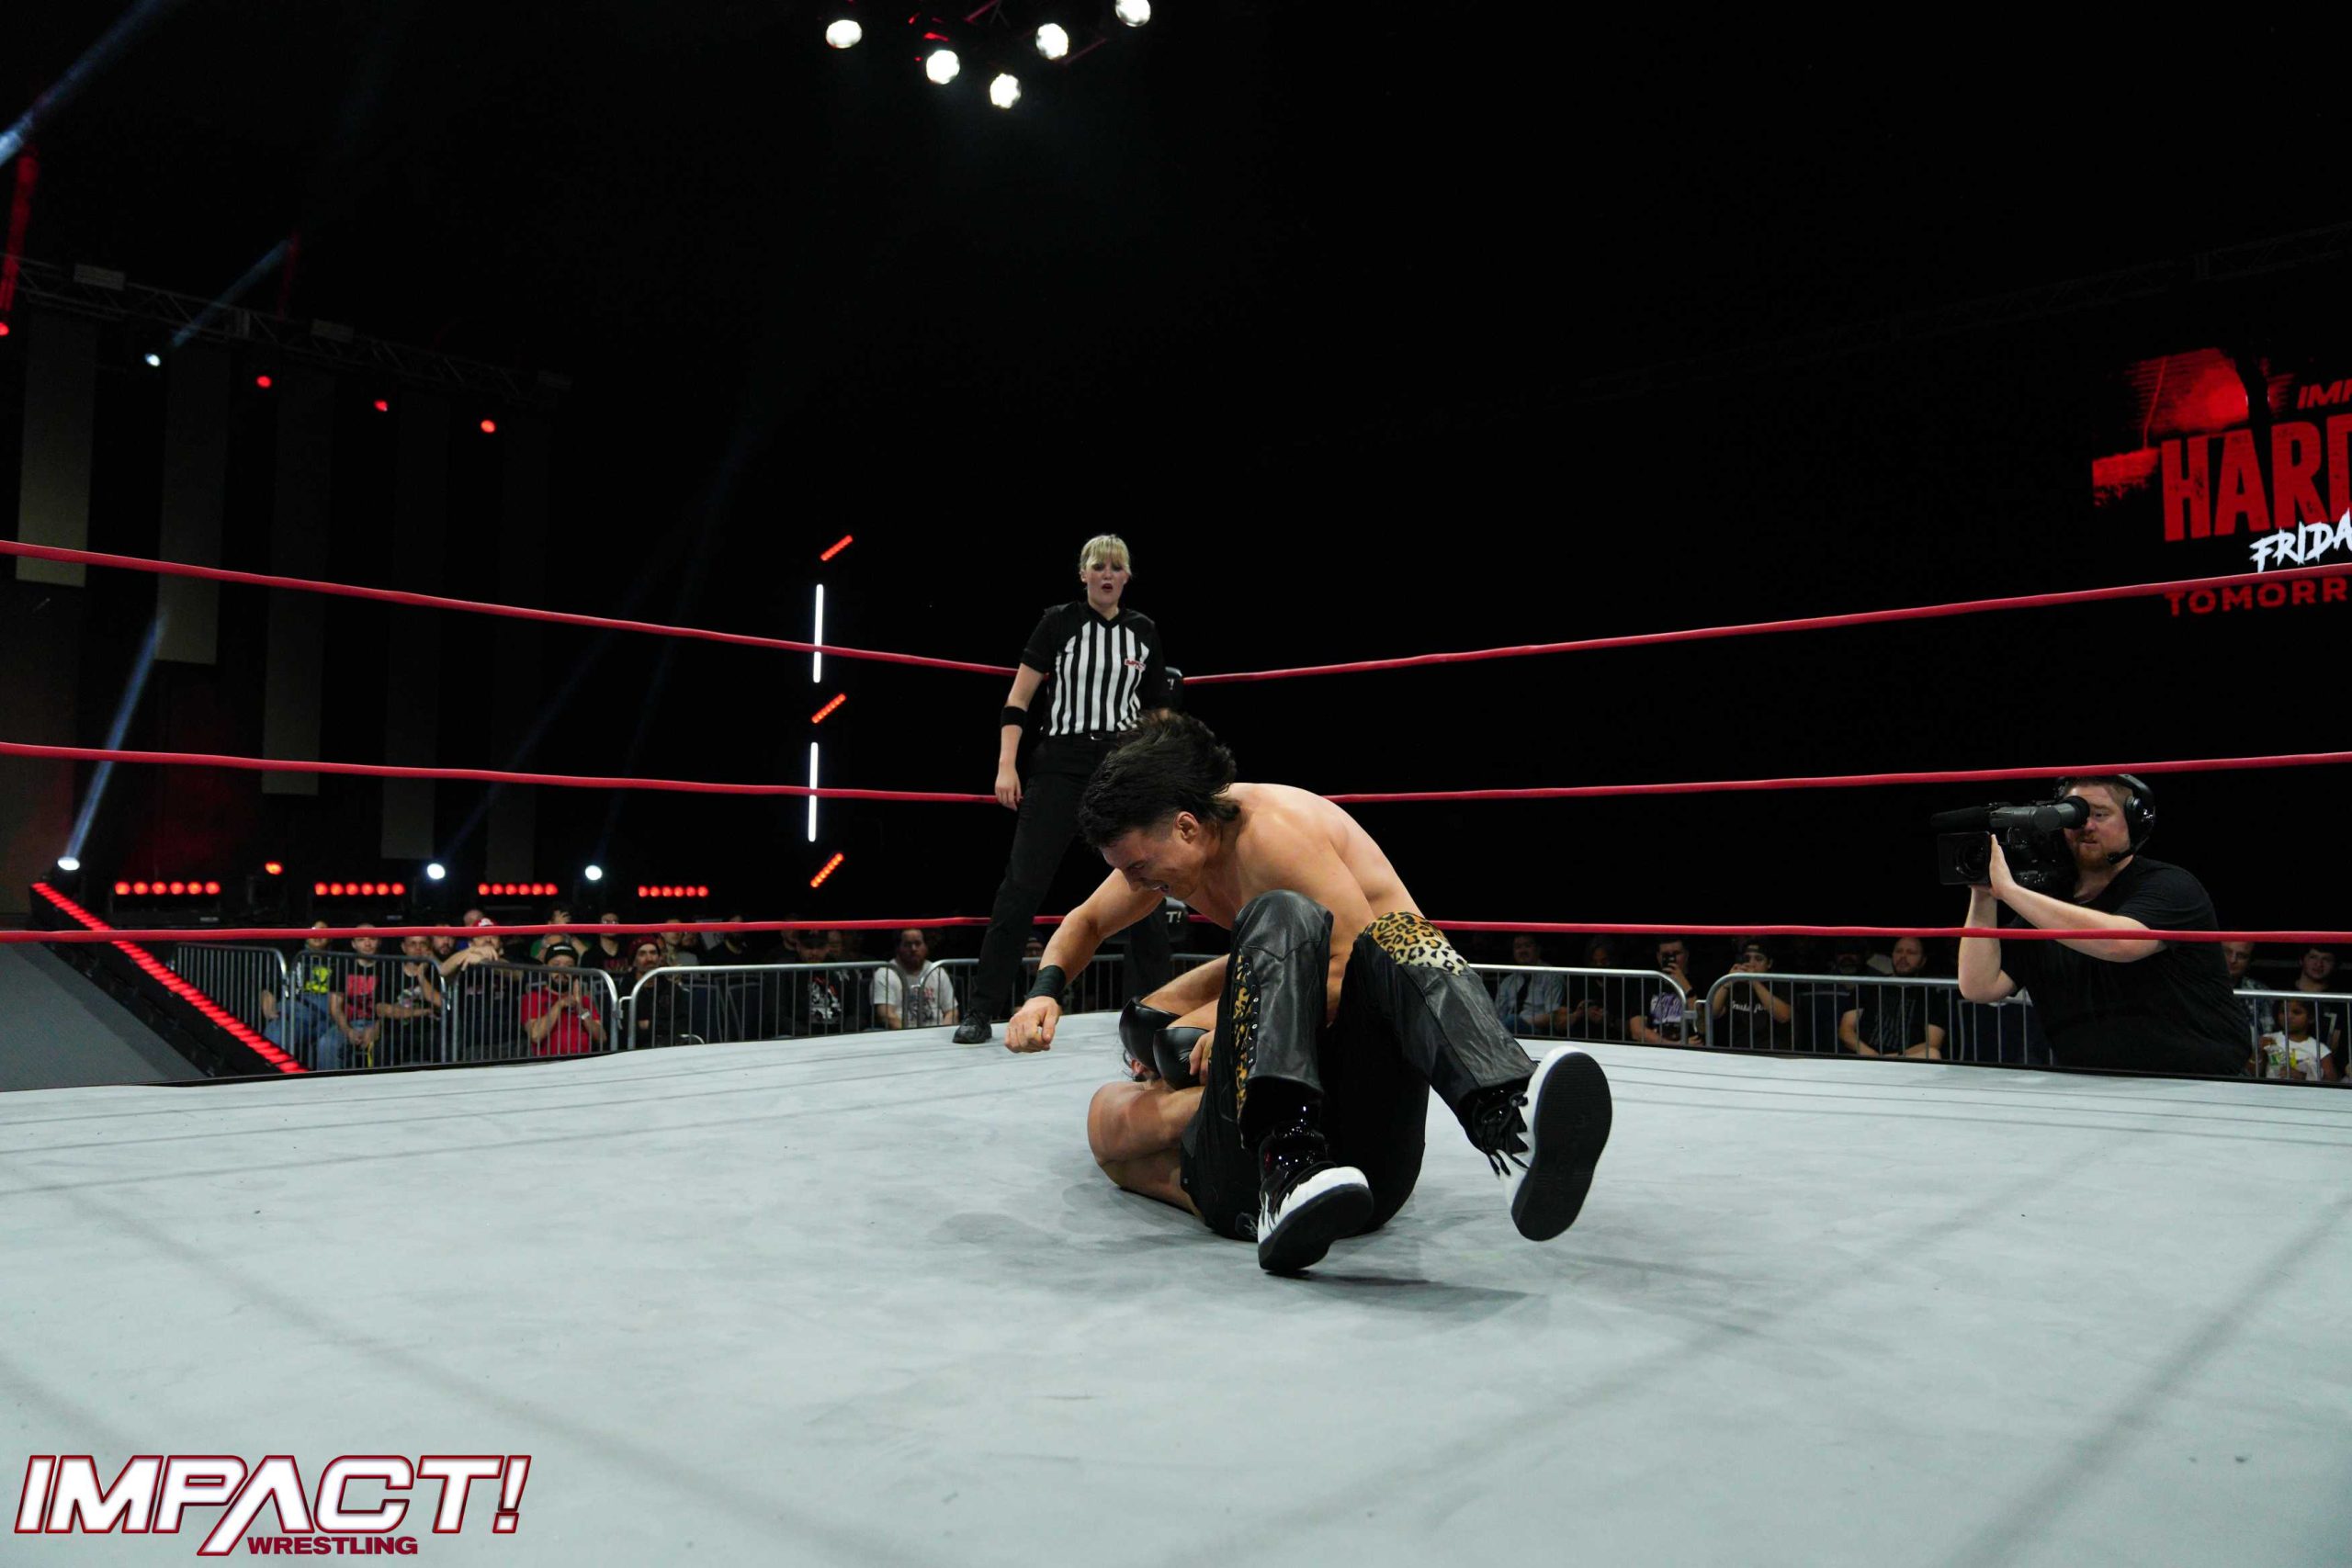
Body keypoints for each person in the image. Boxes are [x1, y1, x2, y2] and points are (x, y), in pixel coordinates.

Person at [1008, 714, 1611, 1274]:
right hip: (1349, 1175)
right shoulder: (1178, 855)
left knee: (1371, 930)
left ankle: (1506, 1122)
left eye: (1138, 867)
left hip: (1344, 1132)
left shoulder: (1269, 838)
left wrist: (1231, 1030)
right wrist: (1044, 992)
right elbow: (1088, 921)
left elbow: (1349, 965)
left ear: (1186, 826)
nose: (1134, 883)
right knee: (1333, 931)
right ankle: (1297, 1166)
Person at [955, 536, 1177, 1043]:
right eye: (1098, 566)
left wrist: (1163, 772)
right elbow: (1017, 700)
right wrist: (1006, 765)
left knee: (1148, 883)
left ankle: (1154, 1013)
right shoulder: (1059, 622)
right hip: (1061, 762)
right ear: (1083, 574)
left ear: (1126, 576)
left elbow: (1160, 713)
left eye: (1115, 567)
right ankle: (981, 1009)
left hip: (1122, 764)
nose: (1107, 574)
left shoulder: (1143, 631)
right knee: (1021, 885)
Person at [1957, 775, 2246, 1076]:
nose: (2086, 825)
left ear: (2134, 819)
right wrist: (1983, 892)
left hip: (2199, 1081)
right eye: (2073, 813)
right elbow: (1980, 986)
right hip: (2093, 1085)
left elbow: (2119, 943)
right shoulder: (2046, 905)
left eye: (2099, 814)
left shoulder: (2171, 886)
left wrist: (2011, 892)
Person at [1838, 936, 1947, 1059]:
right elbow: (1845, 1030)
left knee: (1933, 1054)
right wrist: (1872, 1055)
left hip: (1905, 1058)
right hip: (1866, 1055)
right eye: (1899, 951)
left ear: (1923, 961)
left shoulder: (1932, 995)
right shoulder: (1869, 985)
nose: (1903, 957)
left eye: (1911, 952)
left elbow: (1933, 1043)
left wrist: (1893, 1057)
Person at [264, 922, 339, 1064]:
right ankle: (270, 1069)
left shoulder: (338, 960)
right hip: (296, 1010)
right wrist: (269, 1009)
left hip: (324, 1012)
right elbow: (270, 989)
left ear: (330, 937)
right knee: (279, 1026)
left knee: (327, 1040)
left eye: (323, 931)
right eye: (313, 930)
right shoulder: (293, 957)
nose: (317, 935)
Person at [522, 943, 607, 1056]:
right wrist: (559, 1004)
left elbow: (602, 1037)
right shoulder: (533, 997)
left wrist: (581, 1010)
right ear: (546, 968)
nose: (562, 970)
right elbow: (535, 1036)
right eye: (556, 965)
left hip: (584, 1061)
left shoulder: (584, 1000)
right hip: (550, 1063)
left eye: (569, 966)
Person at [1709, 940, 1792, 1050]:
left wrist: (1754, 982)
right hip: (1737, 1051)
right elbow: (1712, 1013)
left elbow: (1784, 1016)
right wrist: (1727, 983)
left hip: (1772, 1052)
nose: (1751, 963)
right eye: (1747, 958)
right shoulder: (1735, 984)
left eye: (1758, 959)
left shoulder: (1778, 983)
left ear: (1769, 963)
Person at [872, 929, 961, 1030]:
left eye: (918, 944)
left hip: (938, 1033)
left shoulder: (937, 971)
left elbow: (952, 1012)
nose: (913, 949)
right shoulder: (885, 973)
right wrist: (912, 1035)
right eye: (907, 944)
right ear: (898, 948)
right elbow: (887, 1015)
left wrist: (942, 1032)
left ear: (926, 946)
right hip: (903, 1034)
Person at [326, 926, 384, 1070]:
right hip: (348, 1022)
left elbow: (392, 1005)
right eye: (361, 939)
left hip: (379, 1024)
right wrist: (348, 1030)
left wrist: (377, 1029)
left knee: (383, 1046)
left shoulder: (388, 966)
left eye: (372, 939)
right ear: (353, 944)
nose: (367, 943)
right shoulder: (343, 966)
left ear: (379, 942)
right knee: (326, 1044)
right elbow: (335, 1007)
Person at [1490, 933, 1566, 1036]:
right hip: (1508, 1030)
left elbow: (1553, 1016)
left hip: (1537, 1032)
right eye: (1518, 947)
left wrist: (1519, 1023)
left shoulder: (1552, 976)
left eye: (1527, 946)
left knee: (1512, 1021)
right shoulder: (1508, 981)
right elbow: (1497, 1015)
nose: (1522, 951)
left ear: (1538, 949)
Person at [1626, 937, 1696, 1045]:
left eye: (1676, 954)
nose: (1672, 959)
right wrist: (1674, 1045)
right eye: (1666, 955)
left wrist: (1684, 984)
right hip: (1658, 1048)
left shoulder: (1697, 981)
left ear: (1687, 954)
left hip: (1692, 1049)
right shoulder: (1648, 984)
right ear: (1658, 957)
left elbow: (1703, 1022)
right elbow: (1637, 1030)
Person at [2258, 998, 2337, 1084]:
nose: (2288, 1016)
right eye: (2283, 1011)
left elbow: (2331, 1081)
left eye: (2296, 1012)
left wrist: (2302, 1077)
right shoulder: (2269, 1039)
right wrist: (2259, 1052)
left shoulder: (2320, 1048)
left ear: (2311, 1018)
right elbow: (2252, 1073)